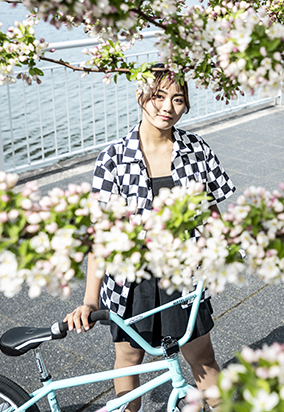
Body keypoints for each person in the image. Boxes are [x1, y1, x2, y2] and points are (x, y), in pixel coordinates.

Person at [65, 68, 235, 412]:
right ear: (140, 96)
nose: (167, 107)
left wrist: (219, 254)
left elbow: (213, 215)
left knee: (202, 357)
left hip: (183, 276)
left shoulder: (197, 150)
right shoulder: (113, 158)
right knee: (128, 361)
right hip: (131, 281)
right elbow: (101, 236)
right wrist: (90, 301)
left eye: (178, 99)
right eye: (158, 96)